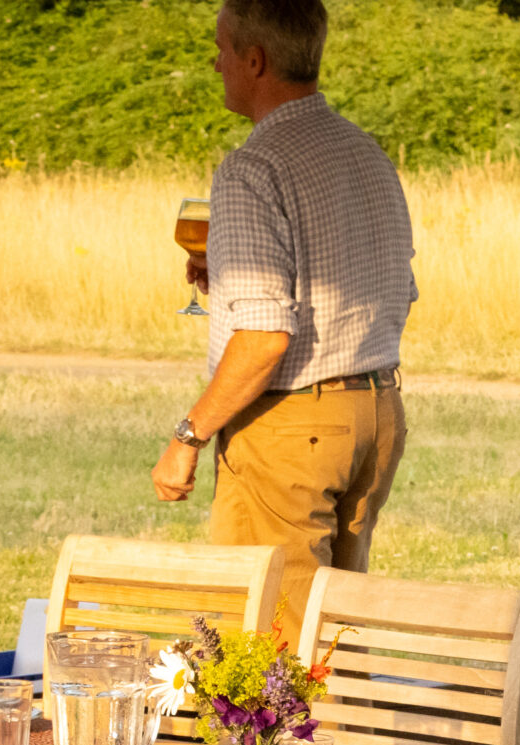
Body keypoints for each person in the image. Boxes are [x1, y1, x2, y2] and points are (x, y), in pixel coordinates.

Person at [152, 0, 416, 629]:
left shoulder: (253, 168)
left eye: (221, 49)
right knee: (336, 630)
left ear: (255, 59)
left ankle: (292, 735)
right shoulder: (365, 153)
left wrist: (187, 437)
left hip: (292, 426)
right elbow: (391, 288)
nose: (215, 63)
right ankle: (351, 729)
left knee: (271, 638)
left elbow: (266, 337)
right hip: (375, 411)